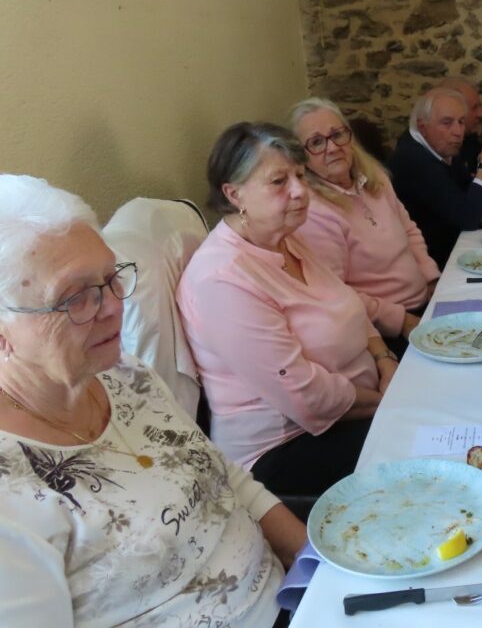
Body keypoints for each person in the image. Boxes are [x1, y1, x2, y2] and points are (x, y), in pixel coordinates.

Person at [0, 175, 305, 627]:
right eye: (76, 298)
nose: (112, 306)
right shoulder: (10, 496)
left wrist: (317, 560)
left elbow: (222, 477)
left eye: (111, 278)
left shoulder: (123, 373)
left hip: (293, 598)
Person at [177, 122, 399, 496]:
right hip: (284, 448)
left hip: (360, 403)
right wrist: (394, 404)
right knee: (428, 442)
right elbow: (306, 397)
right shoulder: (221, 278)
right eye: (279, 181)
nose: (300, 191)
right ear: (234, 194)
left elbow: (349, 306)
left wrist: (385, 360)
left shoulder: (286, 238)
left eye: (300, 175)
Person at [290, 98, 439, 344]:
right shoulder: (314, 212)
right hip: (385, 331)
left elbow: (409, 230)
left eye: (337, 134)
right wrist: (400, 320)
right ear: (301, 157)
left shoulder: (375, 177)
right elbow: (338, 291)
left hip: (425, 302)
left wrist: (432, 279)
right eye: (316, 142)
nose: (332, 147)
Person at [389, 87, 482, 267]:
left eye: (461, 121)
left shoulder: (439, 144)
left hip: (451, 245)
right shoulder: (414, 159)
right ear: (423, 127)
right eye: (447, 123)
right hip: (432, 261)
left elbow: (466, 187)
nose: (458, 131)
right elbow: (468, 218)